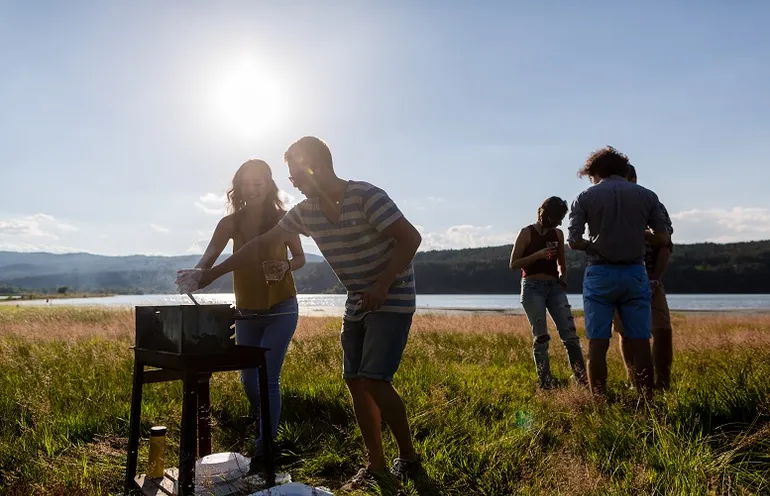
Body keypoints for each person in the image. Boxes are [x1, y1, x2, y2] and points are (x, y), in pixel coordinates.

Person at [177, 136, 423, 490]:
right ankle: (376, 465)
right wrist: (210, 274)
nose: (292, 182)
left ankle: (408, 460)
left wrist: (382, 285)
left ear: (317, 167)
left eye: (295, 175)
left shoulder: (366, 196)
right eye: (290, 176)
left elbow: (410, 238)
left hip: (391, 294)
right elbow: (260, 245)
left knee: (374, 379)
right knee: (355, 381)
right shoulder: (306, 212)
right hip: (357, 298)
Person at [192, 159, 306, 468]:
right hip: (245, 313)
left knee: (268, 377)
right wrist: (196, 273)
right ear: (238, 188)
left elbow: (300, 258)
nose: (253, 189)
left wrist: (286, 265)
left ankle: (265, 445)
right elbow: (207, 259)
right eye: (247, 184)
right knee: (248, 382)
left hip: (282, 308)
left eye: (259, 184)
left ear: (269, 186)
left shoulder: (285, 219)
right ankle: (266, 428)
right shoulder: (229, 224)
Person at [566, 146, 670, 397]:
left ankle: (599, 403)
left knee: (598, 343)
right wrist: (637, 233)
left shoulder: (585, 197)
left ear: (596, 172)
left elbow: (573, 240)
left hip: (600, 273)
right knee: (641, 341)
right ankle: (646, 404)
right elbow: (663, 237)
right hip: (635, 272)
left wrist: (595, 244)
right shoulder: (647, 196)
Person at [509, 196, 587, 389]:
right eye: (556, 218)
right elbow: (513, 264)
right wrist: (537, 255)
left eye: (561, 219)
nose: (559, 223)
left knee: (570, 337)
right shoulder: (526, 233)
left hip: (554, 288)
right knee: (541, 337)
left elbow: (562, 264)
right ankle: (546, 383)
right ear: (545, 215)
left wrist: (563, 279)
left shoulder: (558, 234)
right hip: (532, 287)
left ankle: (582, 380)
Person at [612, 164, 675, 390]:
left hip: (649, 275)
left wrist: (655, 278)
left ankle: (663, 382)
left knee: (662, 329)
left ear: (633, 179)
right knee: (624, 332)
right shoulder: (610, 207)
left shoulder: (652, 205)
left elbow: (666, 245)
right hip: (619, 275)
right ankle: (633, 382)